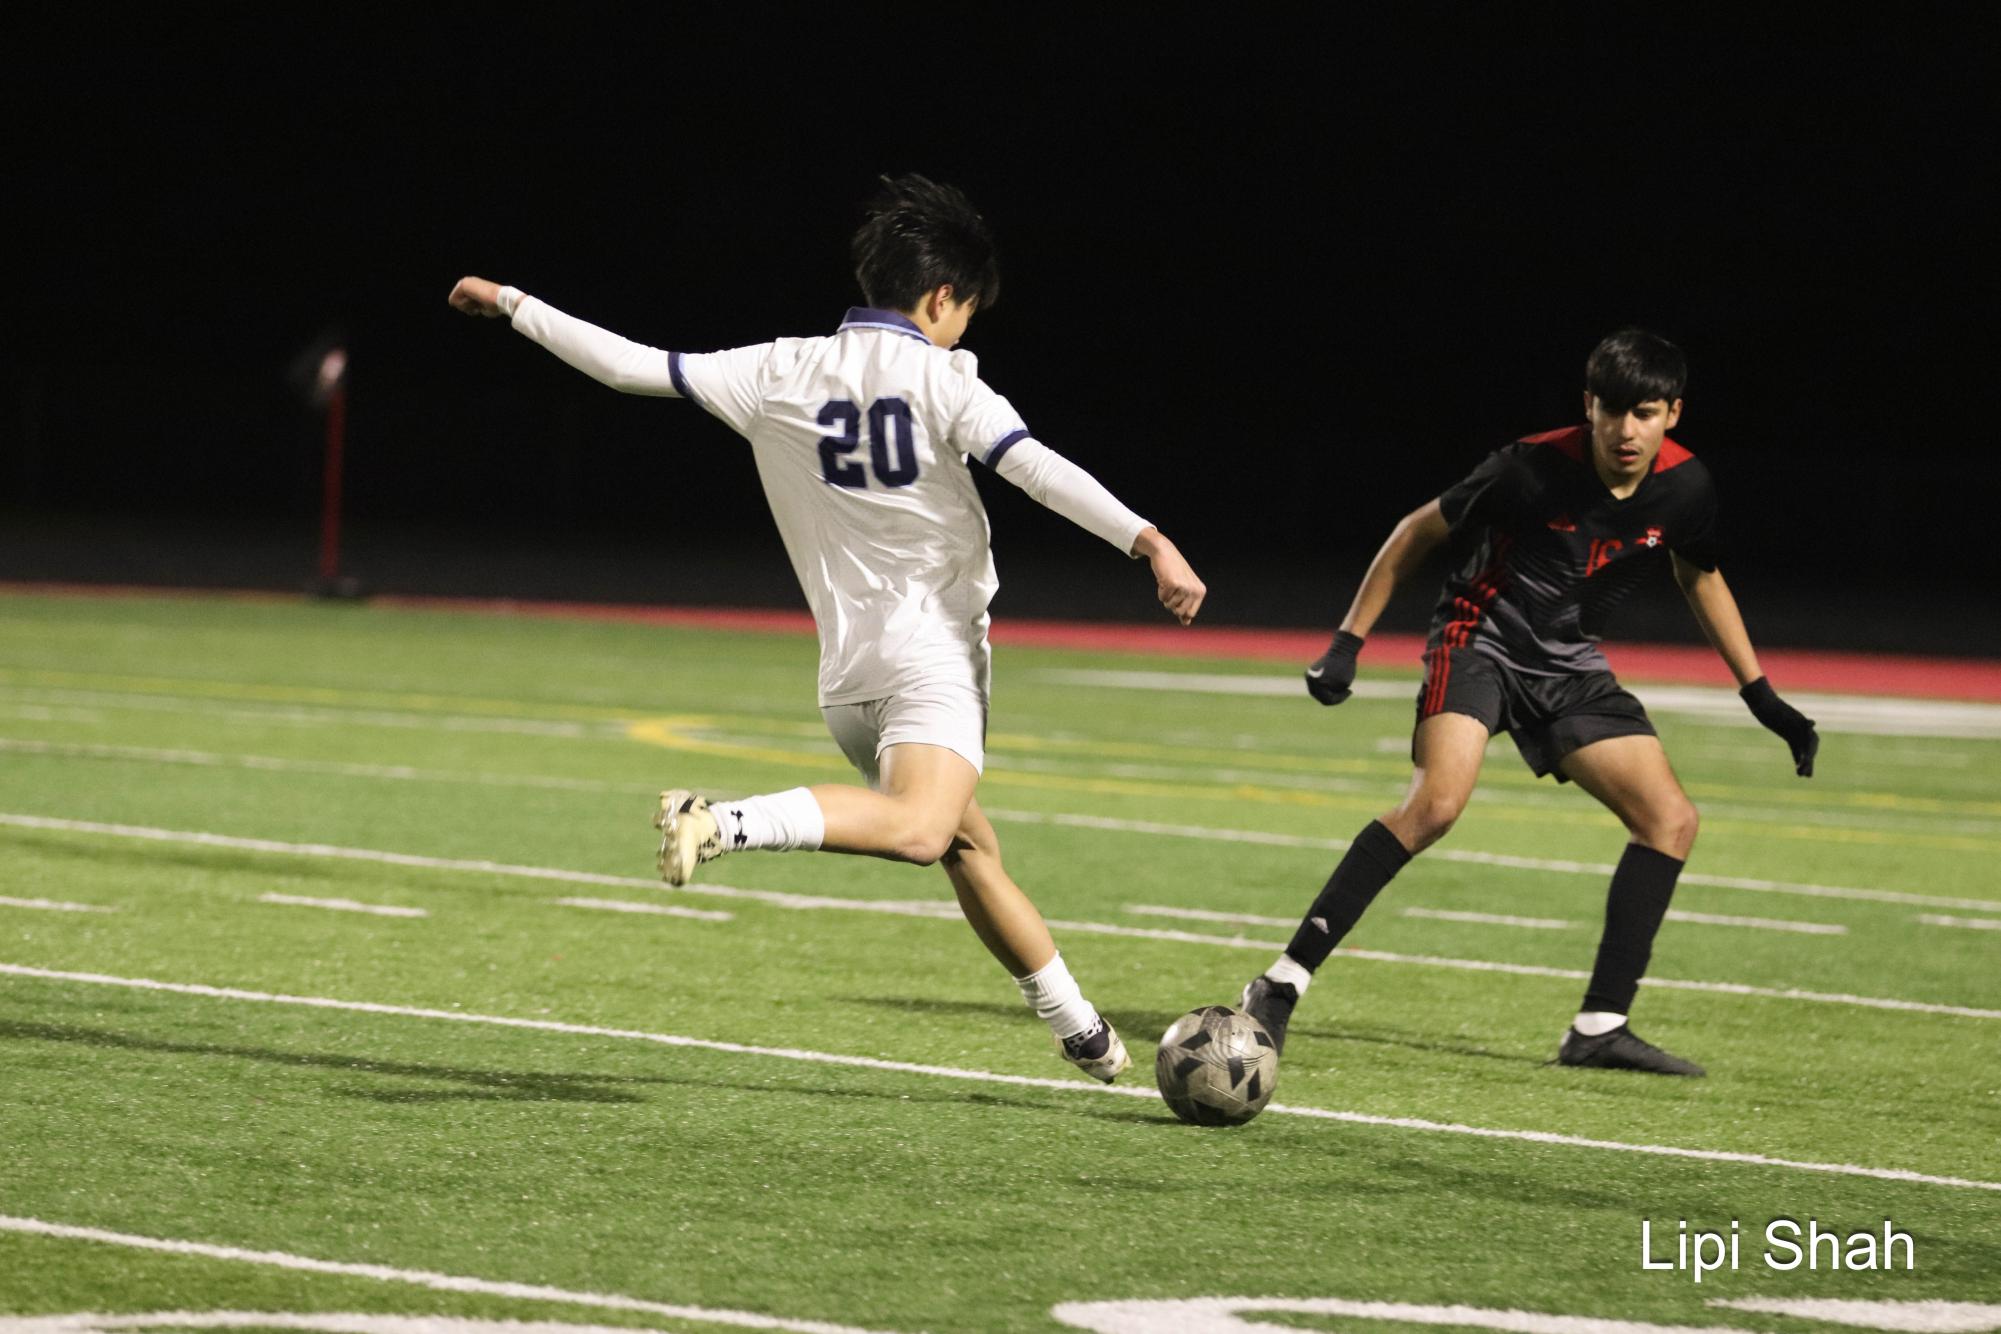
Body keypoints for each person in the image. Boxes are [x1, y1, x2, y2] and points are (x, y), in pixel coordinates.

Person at [448, 173, 1205, 1083]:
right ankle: (723, 821)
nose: (966, 329)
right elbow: (1037, 470)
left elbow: (625, 365)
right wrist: (1149, 541)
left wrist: (513, 303)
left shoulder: (778, 368)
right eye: (966, 311)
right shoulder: (947, 378)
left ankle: (1079, 1027)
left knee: (968, 844)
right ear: (938, 298)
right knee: (925, 831)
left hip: (846, 681)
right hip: (929, 658)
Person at [1240, 328, 1818, 1076]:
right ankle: (1279, 985)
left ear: (1671, 413)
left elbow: (1699, 577)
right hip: (1478, 643)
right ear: (1587, 407)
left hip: (1567, 668)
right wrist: (1347, 642)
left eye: (1643, 412)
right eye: (1610, 411)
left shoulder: (1686, 486)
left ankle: (1599, 1028)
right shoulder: (1529, 467)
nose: (1625, 430)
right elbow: (1414, 530)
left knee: (1668, 820)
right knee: (1435, 806)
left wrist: (1761, 695)